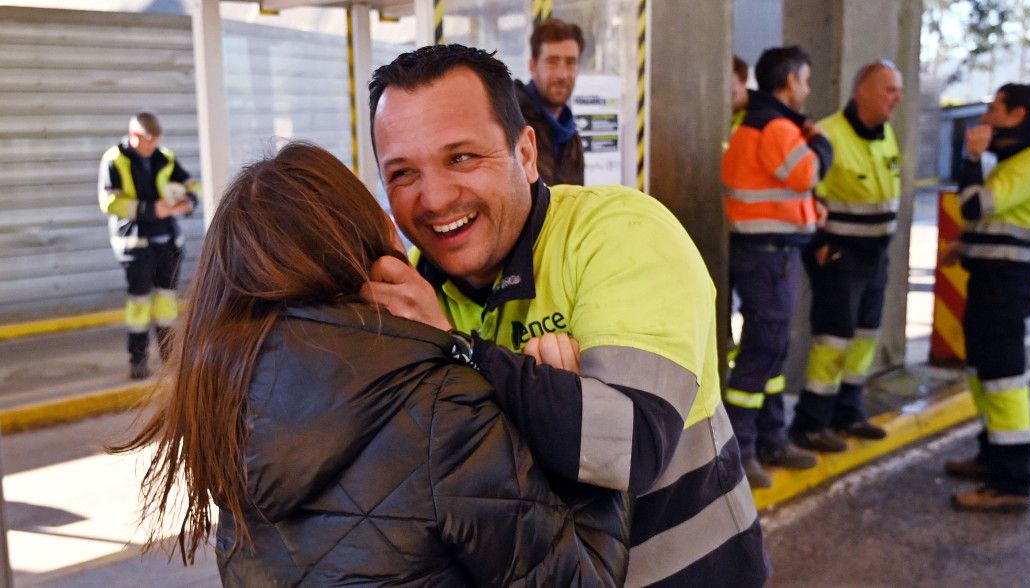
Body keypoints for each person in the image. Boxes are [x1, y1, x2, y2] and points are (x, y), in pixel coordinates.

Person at [112, 142, 630, 586]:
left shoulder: (222, 403)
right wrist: (563, 417)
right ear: (366, 249)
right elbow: (582, 577)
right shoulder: (441, 409)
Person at [364, 45, 767, 587]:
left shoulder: (620, 234)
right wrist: (549, 394)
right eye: (403, 172)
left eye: (461, 157)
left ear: (526, 154)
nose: (433, 198)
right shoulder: (410, 289)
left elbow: (630, 447)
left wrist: (455, 349)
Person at [721, 45, 831, 488]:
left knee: (774, 351)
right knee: (763, 349)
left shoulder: (759, 124)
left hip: (769, 253)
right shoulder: (775, 126)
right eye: (804, 79)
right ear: (789, 81)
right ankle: (741, 451)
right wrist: (821, 140)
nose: (807, 88)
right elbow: (808, 173)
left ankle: (771, 438)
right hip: (767, 256)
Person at [942, 83, 1030, 512]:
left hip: (1007, 287)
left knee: (1004, 378)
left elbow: (974, 206)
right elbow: (996, 222)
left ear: (1017, 115)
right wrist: (966, 247)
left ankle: (1011, 481)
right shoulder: (1014, 159)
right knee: (984, 372)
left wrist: (970, 157)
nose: (987, 112)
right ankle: (991, 456)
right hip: (991, 280)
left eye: (995, 106)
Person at [790, 60, 904, 453]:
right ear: (862, 91)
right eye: (890, 90)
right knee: (833, 342)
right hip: (841, 256)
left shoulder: (886, 134)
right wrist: (818, 246)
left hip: (877, 256)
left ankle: (848, 412)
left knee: (864, 337)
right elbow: (801, 192)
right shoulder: (828, 134)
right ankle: (811, 423)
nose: (897, 98)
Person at [97, 112, 198, 380]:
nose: (152, 147)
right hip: (135, 244)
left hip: (168, 242)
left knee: (167, 301)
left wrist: (188, 202)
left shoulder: (164, 156)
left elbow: (190, 185)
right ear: (134, 136)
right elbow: (110, 202)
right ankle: (138, 362)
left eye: (156, 141)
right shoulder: (114, 160)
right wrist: (151, 209)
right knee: (139, 303)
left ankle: (170, 358)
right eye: (148, 142)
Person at [514, 18, 585, 185]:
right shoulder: (511, 124)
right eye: (552, 62)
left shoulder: (571, 135)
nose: (562, 74)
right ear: (532, 66)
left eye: (570, 63)